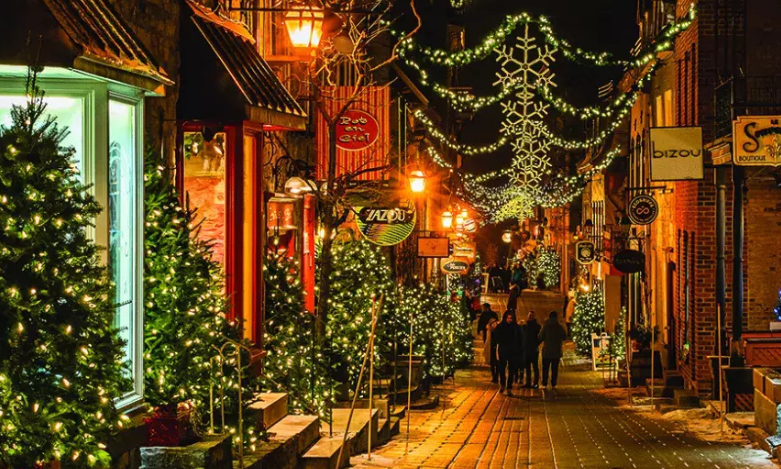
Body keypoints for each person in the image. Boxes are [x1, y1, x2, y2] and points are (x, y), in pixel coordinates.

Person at [494, 310, 524, 395]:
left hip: (513, 351)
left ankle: (509, 387)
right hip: (503, 350)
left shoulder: (516, 327)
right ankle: (503, 385)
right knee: (502, 369)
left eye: (511, 318)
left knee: (512, 370)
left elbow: (520, 339)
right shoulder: (500, 326)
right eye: (508, 318)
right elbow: (496, 337)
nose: (509, 320)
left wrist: (519, 349)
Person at [539, 311, 567, 389]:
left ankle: (544, 383)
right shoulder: (559, 326)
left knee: (545, 368)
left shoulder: (546, 326)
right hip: (556, 351)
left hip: (547, 351)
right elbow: (564, 336)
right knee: (554, 369)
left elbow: (541, 337)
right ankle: (553, 383)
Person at [522, 311, 541, 388]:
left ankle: (536, 383)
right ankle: (528, 382)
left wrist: (536, 344)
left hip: (533, 349)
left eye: (532, 316)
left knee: (535, 366)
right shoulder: (525, 326)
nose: (530, 317)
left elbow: (540, 337)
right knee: (527, 367)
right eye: (529, 315)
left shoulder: (537, 327)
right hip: (526, 349)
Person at [484, 316, 500, 382]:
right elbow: (487, 340)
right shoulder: (489, 331)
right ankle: (494, 376)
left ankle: (496, 375)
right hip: (491, 348)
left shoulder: (498, 329)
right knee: (492, 363)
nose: (494, 324)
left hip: (497, 348)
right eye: (492, 323)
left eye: (494, 323)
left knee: (498, 363)